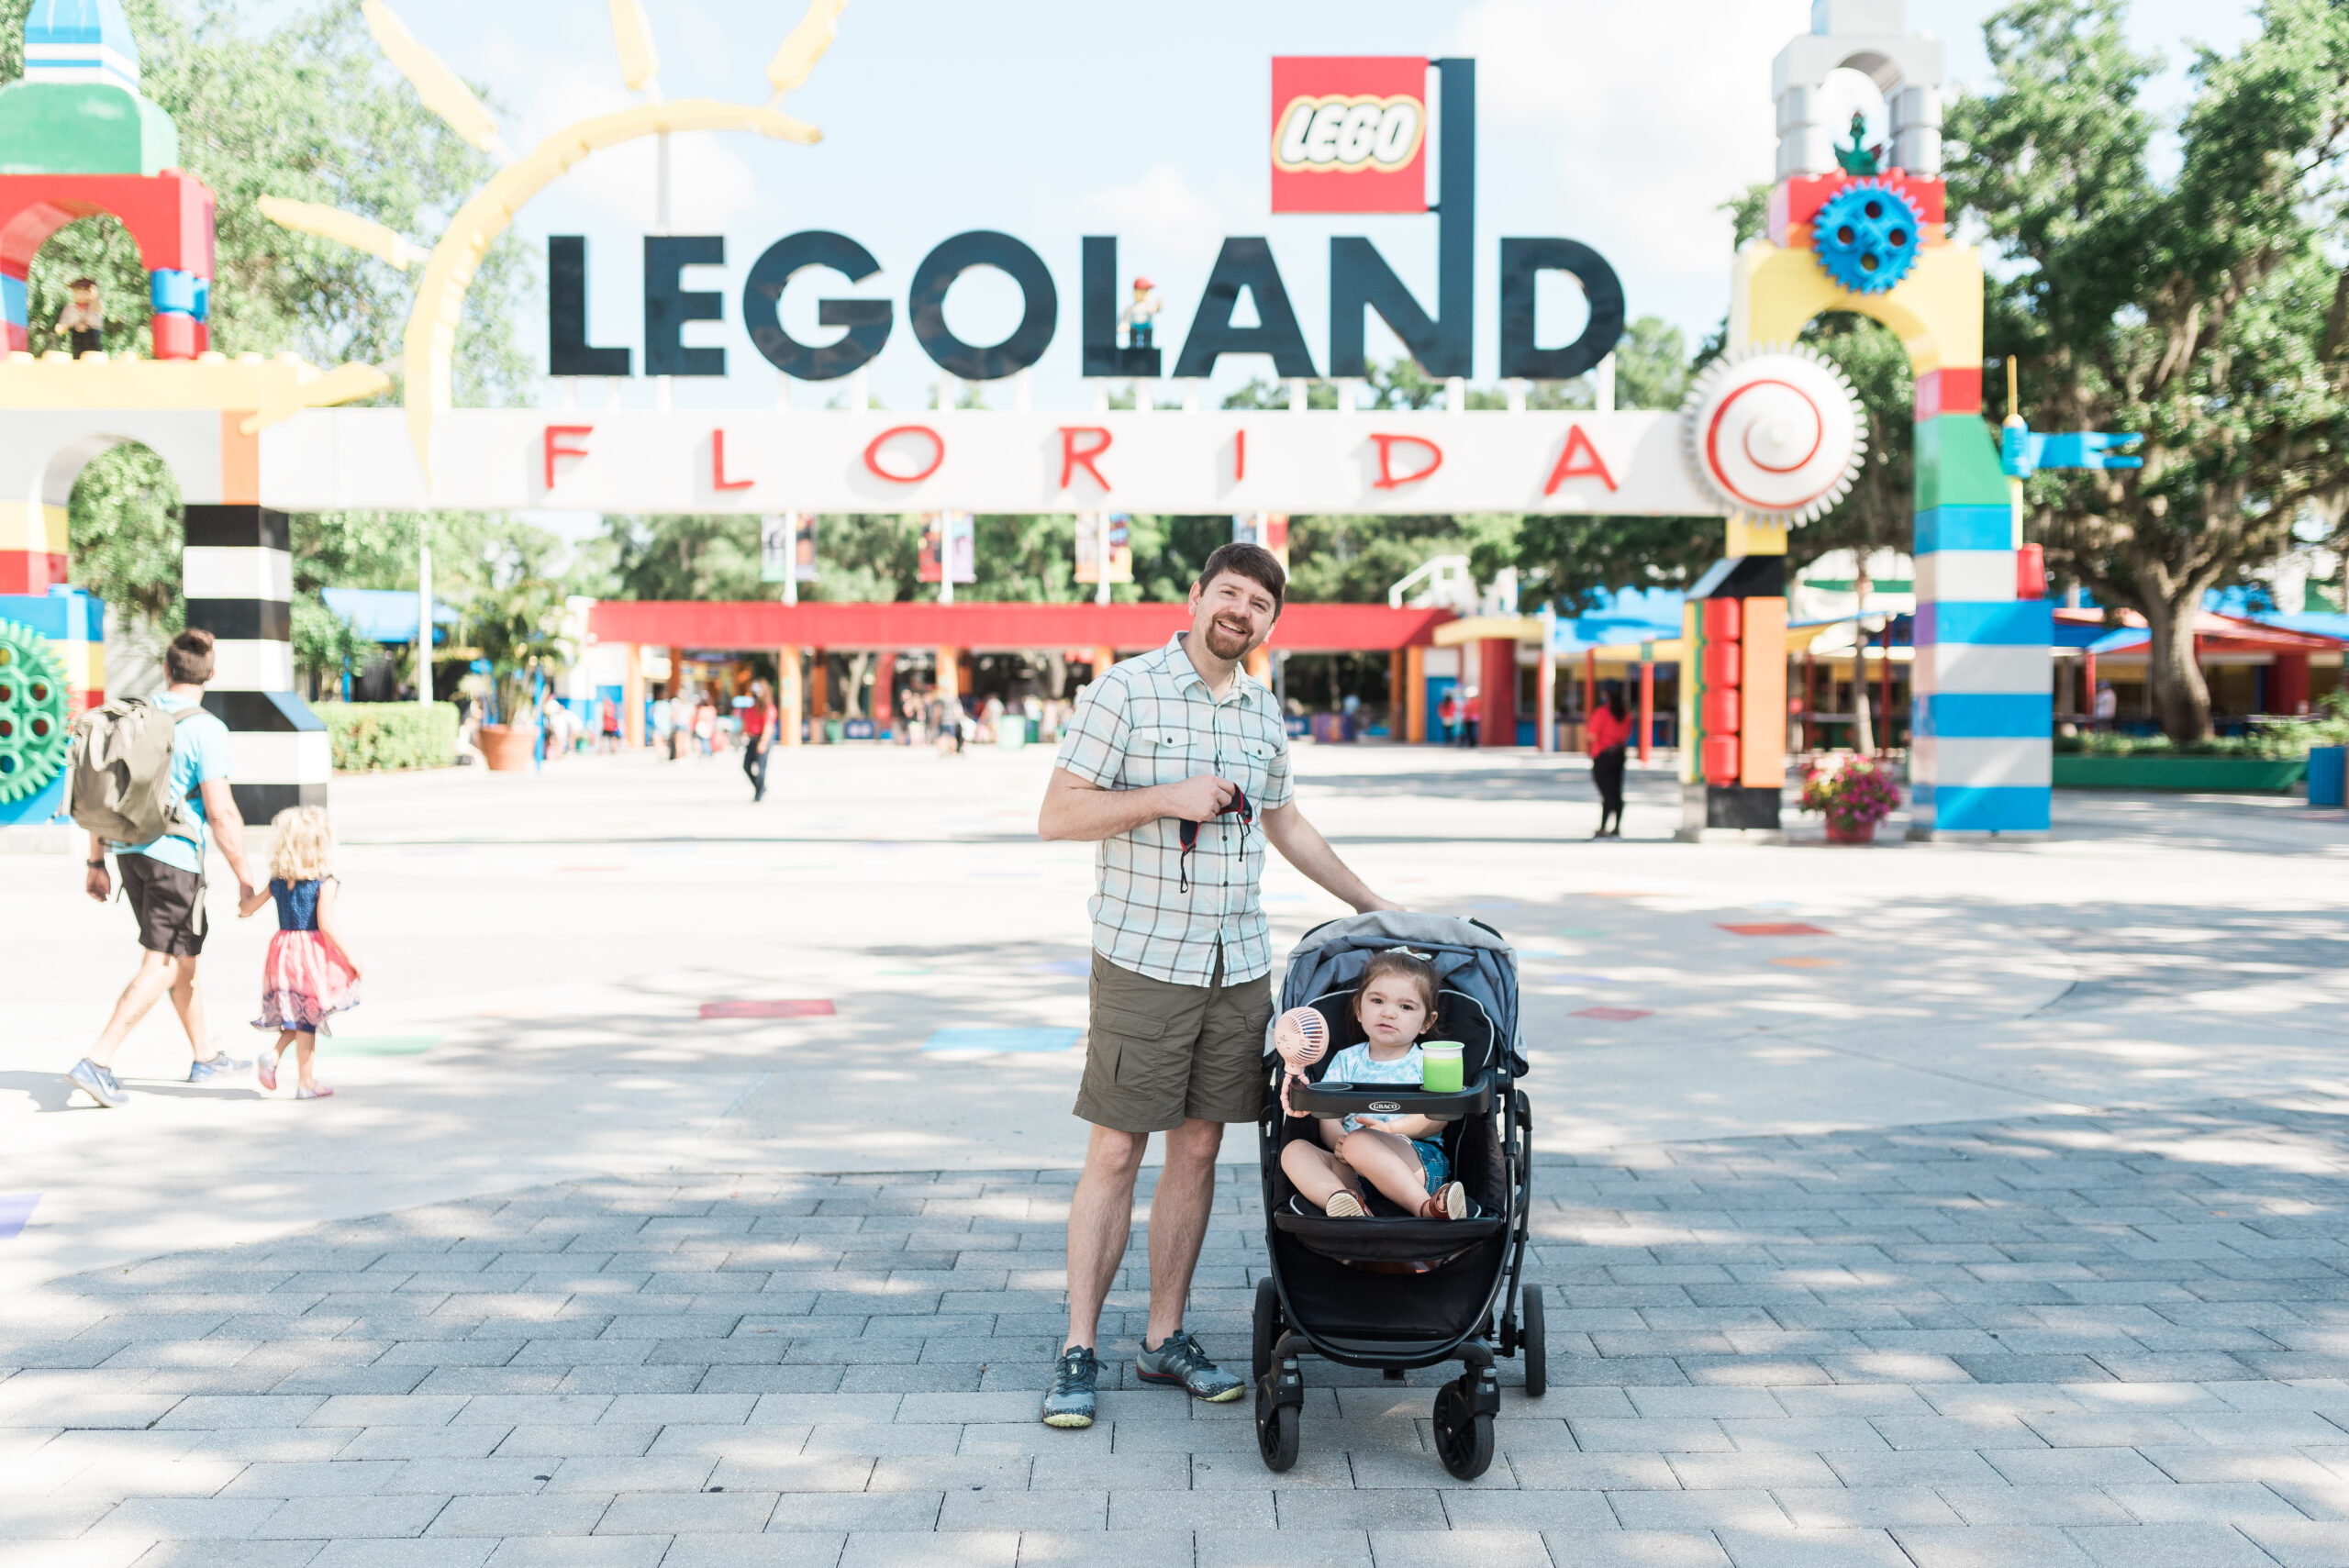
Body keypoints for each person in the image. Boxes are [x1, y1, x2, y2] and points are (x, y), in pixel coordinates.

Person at [1035, 541, 1403, 1429]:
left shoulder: (1262, 708)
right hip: (1144, 958)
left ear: (1271, 622)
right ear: (1196, 597)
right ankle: (1079, 1346)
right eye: (1228, 594)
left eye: (1259, 604)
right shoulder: (1123, 689)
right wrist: (1166, 795)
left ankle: (1164, 1337)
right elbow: (1058, 814)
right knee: (1117, 1151)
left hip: (1237, 964)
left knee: (1198, 1150)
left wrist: (1373, 905)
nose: (1240, 611)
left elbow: (1284, 818)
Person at [65, 628, 257, 1107]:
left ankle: (205, 1055)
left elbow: (101, 789)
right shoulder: (207, 728)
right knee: (163, 962)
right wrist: (246, 878)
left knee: (181, 958)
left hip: (130, 854)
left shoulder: (133, 715)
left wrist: (96, 861)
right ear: (211, 674)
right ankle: (99, 1060)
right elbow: (221, 812)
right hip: (175, 858)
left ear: (166, 670)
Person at [1276, 950, 1475, 1220]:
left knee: (1361, 1142)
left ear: (1427, 1021)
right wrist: (1340, 1143)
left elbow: (1436, 1119)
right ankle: (1344, 1202)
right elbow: (1329, 1116)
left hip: (1414, 1161)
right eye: (1377, 1000)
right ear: (1359, 1008)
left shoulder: (1428, 1061)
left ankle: (1424, 1207)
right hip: (1354, 1168)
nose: (1389, 1013)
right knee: (1294, 1151)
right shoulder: (1346, 1060)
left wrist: (1390, 1129)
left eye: (1406, 1007)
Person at [237, 806, 362, 1100]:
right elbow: (326, 924)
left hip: (282, 951)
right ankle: (306, 1083)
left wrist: (243, 891)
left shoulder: (278, 882)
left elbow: (247, 909)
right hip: (309, 954)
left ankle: (274, 1055)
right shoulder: (324, 882)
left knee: (300, 1012)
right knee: (308, 1015)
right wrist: (350, 958)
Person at [1586, 678, 1632, 839]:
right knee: (1616, 791)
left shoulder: (1602, 713)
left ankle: (1603, 827)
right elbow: (1626, 734)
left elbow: (1591, 735)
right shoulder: (1625, 713)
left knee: (1607, 793)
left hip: (1603, 755)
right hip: (1619, 755)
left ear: (1606, 693)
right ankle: (1616, 828)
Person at [742, 680, 776, 802]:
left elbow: (768, 726)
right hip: (752, 739)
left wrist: (763, 742)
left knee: (761, 768)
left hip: (763, 738)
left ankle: (759, 792)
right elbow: (746, 724)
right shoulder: (751, 709)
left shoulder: (769, 709)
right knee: (746, 766)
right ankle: (760, 787)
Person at [55, 276, 103, 357]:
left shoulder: (93, 305)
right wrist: (60, 328)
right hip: (77, 340)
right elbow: (63, 325)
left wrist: (94, 296)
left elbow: (98, 307)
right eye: (78, 292)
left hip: (92, 339)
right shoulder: (69, 309)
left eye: (85, 292)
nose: (81, 295)